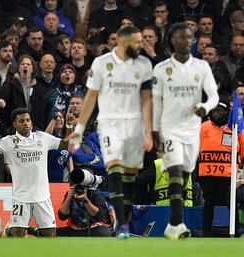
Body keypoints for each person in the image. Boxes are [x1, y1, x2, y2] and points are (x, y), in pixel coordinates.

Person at [69, 26, 154, 239]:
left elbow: (146, 100)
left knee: (128, 178)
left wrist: (149, 131)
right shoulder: (102, 63)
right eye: (136, 42)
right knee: (114, 170)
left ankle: (123, 220)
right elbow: (90, 97)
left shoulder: (144, 65)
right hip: (109, 124)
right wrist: (79, 129)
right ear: (122, 43)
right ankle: (122, 227)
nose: (140, 46)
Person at [152, 23, 219, 240]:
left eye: (189, 37)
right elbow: (156, 102)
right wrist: (155, 131)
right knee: (176, 170)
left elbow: (213, 96)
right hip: (170, 128)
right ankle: (179, 223)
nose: (186, 41)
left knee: (186, 173)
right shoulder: (162, 69)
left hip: (192, 130)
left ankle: (172, 224)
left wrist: (205, 108)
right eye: (182, 37)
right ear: (172, 40)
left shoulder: (201, 67)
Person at [0, 108, 69, 238]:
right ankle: (8, 232)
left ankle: (24, 230)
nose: (26, 123)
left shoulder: (42, 137)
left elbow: (66, 144)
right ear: (14, 124)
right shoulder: (9, 141)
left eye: (28, 120)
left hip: (43, 197)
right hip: (21, 198)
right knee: (17, 238)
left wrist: (69, 126)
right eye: (22, 121)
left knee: (50, 238)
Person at [198, 96, 244, 237]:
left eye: (220, 111)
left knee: (231, 204)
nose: (217, 113)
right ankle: (206, 233)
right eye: (214, 110)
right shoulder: (203, 127)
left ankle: (235, 232)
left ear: (227, 112)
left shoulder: (236, 128)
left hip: (228, 176)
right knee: (209, 204)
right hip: (208, 174)